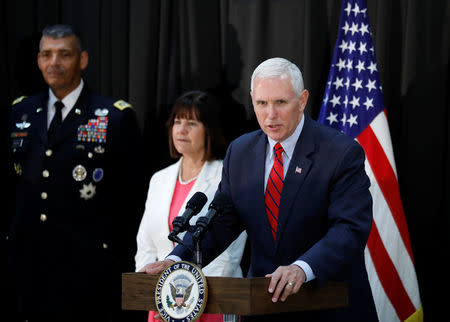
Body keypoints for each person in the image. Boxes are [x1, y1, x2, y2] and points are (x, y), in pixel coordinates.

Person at [145, 58, 378, 321]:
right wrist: (177, 261)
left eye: (280, 102)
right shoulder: (241, 152)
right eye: (262, 103)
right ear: (252, 100)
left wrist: (303, 268)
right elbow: (222, 221)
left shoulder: (340, 153)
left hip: (328, 306)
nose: (270, 115)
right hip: (264, 306)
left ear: (302, 101)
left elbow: (350, 228)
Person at [6, 24, 146, 321]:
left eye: (63, 55)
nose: (53, 63)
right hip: (28, 267)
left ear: (82, 60)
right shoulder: (21, 112)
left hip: (87, 270)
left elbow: (132, 200)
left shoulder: (113, 116)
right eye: (46, 54)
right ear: (38, 60)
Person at [135, 90, 247, 322]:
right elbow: (146, 247)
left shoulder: (227, 175)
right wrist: (150, 293)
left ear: (209, 130)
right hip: (162, 303)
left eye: (191, 123)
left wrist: (188, 303)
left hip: (211, 301)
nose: (181, 130)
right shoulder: (159, 179)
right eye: (177, 122)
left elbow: (228, 255)